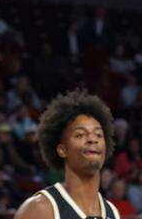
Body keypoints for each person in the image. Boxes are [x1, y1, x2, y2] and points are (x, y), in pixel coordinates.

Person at [14, 90, 121, 219]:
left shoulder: (112, 213)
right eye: (80, 134)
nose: (93, 139)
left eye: (98, 134)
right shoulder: (41, 208)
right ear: (62, 150)